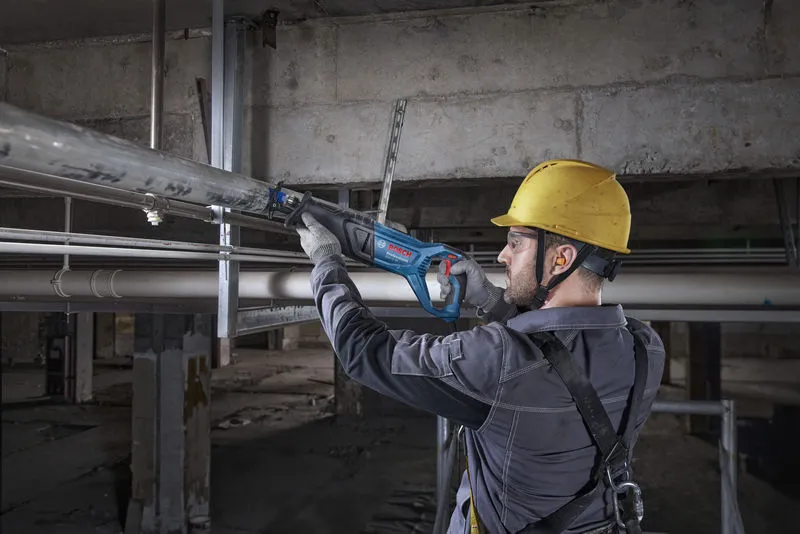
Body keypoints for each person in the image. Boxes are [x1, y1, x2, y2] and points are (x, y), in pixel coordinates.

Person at [295, 159, 666, 534]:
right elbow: (548, 358)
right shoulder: (645, 349)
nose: (503, 255)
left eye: (516, 243)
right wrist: (489, 298)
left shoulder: (496, 358)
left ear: (561, 258)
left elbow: (364, 351)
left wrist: (326, 262)